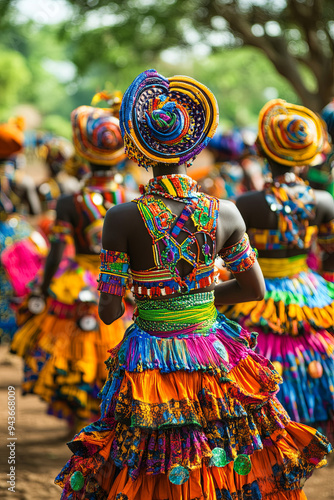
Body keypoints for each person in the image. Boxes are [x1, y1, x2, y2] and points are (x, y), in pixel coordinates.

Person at [56, 70, 331, 500]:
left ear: (140, 149)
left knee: (151, 459)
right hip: (216, 351)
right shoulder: (227, 212)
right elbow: (253, 289)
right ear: (195, 147)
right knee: (226, 452)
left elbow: (110, 311)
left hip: (149, 359)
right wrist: (198, 299)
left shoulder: (122, 218)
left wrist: (149, 299)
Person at [11, 100, 128, 430]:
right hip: (121, 283)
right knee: (115, 350)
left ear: (83, 154)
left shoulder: (69, 201)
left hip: (75, 282)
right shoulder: (131, 196)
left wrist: (42, 286)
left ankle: (78, 422)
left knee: (74, 351)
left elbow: (57, 247)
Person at [221, 99, 334, 437]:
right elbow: (330, 257)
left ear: (263, 153)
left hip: (259, 290)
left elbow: (234, 259)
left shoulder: (246, 204)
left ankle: (269, 425)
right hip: (309, 290)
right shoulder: (324, 202)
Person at [0, 118, 47, 342]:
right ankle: (18, 332)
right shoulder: (24, 181)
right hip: (20, 236)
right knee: (21, 284)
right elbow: (36, 212)